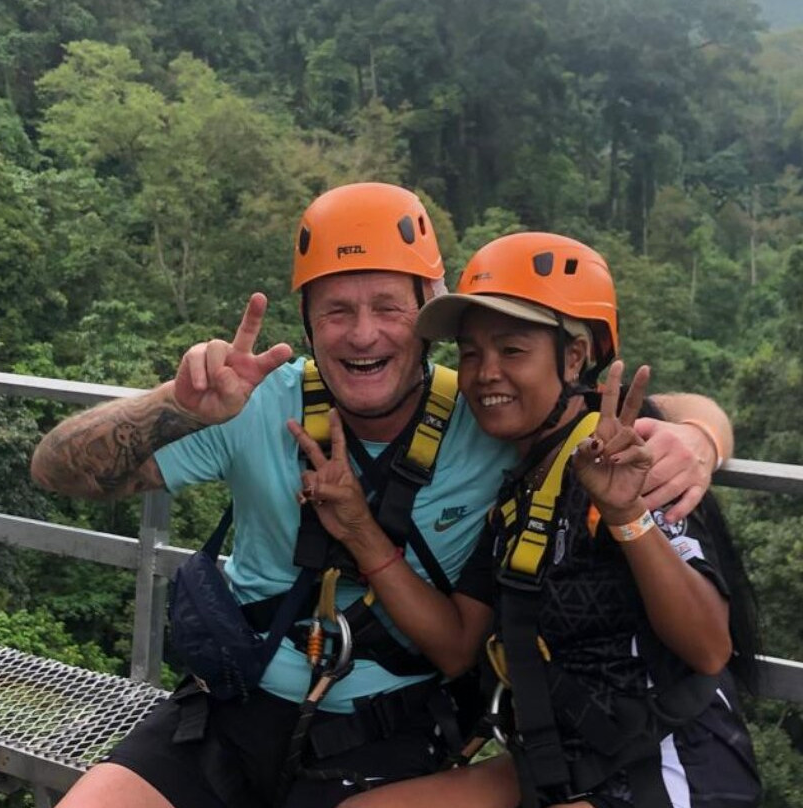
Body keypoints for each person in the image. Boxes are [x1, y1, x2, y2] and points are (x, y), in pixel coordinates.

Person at [30, 185, 734, 808]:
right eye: (337, 310)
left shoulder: (487, 414)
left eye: (388, 307)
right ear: (308, 323)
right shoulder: (252, 403)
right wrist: (175, 407)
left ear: (426, 316)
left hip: (393, 724)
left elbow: (598, 404)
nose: (363, 333)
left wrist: (699, 436)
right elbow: (57, 469)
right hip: (233, 703)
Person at [287, 232, 760, 808]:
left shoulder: (625, 459)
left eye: (512, 351)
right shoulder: (518, 486)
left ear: (574, 357)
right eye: (470, 354)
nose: (486, 373)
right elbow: (457, 643)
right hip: (560, 760)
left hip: (665, 763)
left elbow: (709, 648)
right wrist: (359, 529)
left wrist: (629, 513)